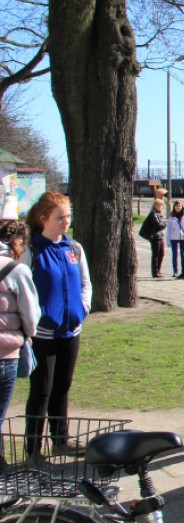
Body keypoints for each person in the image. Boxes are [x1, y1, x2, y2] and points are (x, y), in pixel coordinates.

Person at [23, 191, 92, 463]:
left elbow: (85, 283)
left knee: (62, 386)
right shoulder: (31, 251)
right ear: (43, 219)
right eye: (60, 217)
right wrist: (33, 321)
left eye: (68, 216)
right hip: (42, 334)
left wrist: (83, 309)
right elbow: (23, 289)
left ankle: (60, 441)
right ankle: (33, 450)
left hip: (70, 330)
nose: (66, 221)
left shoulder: (74, 248)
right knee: (41, 390)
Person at [0, 221, 39, 453]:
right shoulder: (16, 270)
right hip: (5, 354)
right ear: (17, 243)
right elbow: (31, 314)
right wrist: (28, 334)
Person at [140, 199, 168, 277]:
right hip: (155, 236)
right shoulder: (153, 213)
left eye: (161, 205)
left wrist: (163, 225)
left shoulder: (160, 213)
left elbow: (164, 224)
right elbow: (158, 224)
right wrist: (163, 225)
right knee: (156, 254)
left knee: (161, 254)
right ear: (155, 205)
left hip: (160, 236)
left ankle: (159, 270)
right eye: (158, 205)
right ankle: (155, 272)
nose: (160, 207)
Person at [167, 200, 184, 277]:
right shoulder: (171, 216)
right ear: (174, 207)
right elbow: (169, 229)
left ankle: (183, 271)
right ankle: (175, 271)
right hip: (174, 237)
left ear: (182, 206)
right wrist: (168, 240)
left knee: (183, 254)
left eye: (179, 206)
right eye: (176, 206)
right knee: (174, 254)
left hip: (183, 237)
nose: (178, 208)